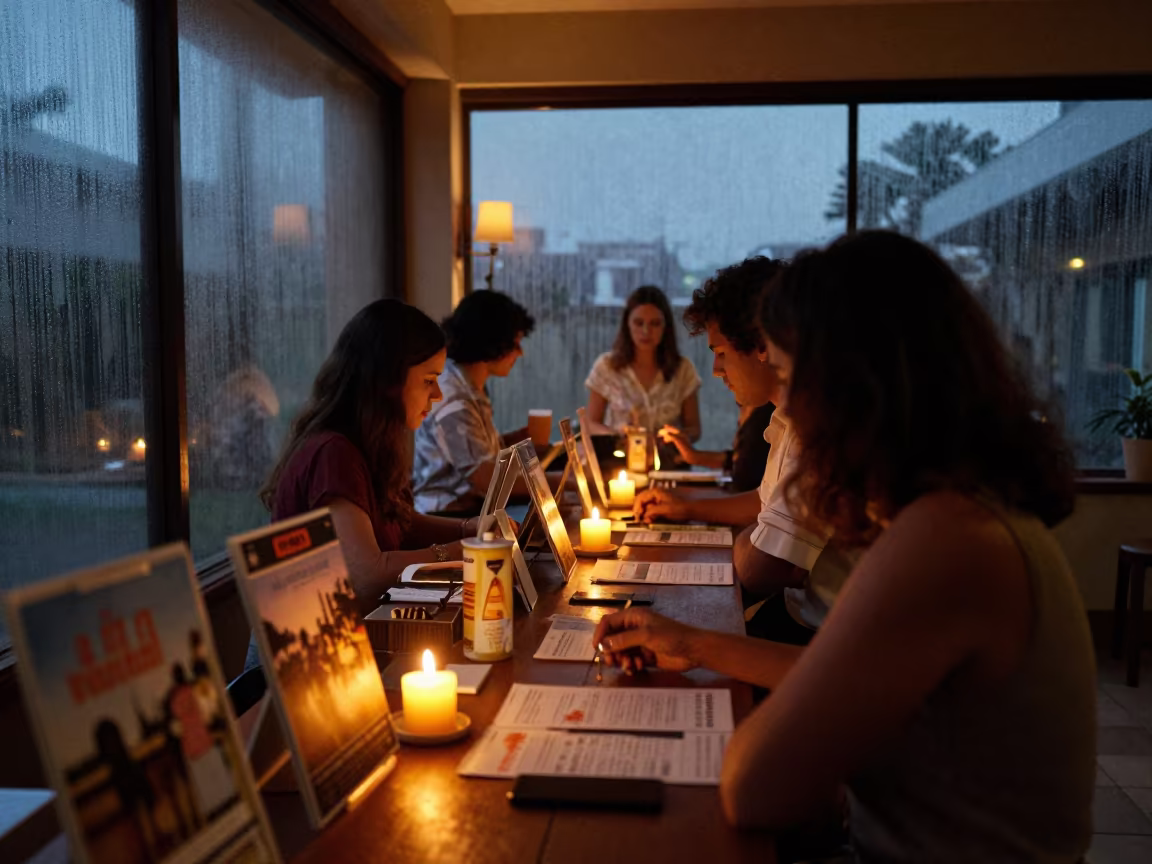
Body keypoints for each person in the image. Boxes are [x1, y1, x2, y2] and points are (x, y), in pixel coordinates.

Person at [595, 232, 1094, 860]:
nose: (787, 411)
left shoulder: (947, 540)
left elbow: (754, 788)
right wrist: (692, 643)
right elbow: (845, 671)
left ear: (853, 380)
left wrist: (712, 659)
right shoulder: (958, 510)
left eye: (784, 372)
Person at [631, 258, 841, 646]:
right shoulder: (788, 419)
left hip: (816, 638)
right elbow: (765, 502)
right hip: (795, 616)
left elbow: (768, 568)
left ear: (761, 344)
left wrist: (748, 541)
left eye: (721, 352)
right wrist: (685, 509)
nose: (715, 369)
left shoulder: (818, 429)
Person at [260, 299, 479, 614]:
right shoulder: (333, 453)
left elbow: (398, 523)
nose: (438, 395)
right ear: (388, 381)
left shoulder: (371, 443)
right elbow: (369, 575)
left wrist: (470, 528)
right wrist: (464, 550)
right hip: (304, 652)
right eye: (429, 381)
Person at [412, 290, 559, 515]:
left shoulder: (469, 386)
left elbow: (476, 455)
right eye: (516, 344)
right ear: (493, 342)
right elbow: (487, 480)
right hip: (448, 515)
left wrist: (516, 440)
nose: (520, 354)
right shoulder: (453, 396)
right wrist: (564, 481)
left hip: (474, 509)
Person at [583, 287, 701, 459]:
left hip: (668, 466)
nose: (646, 331)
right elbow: (590, 423)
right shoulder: (607, 366)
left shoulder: (683, 369)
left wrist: (672, 439)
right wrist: (618, 437)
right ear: (627, 324)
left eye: (655, 323)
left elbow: (695, 429)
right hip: (619, 463)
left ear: (665, 326)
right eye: (639, 323)